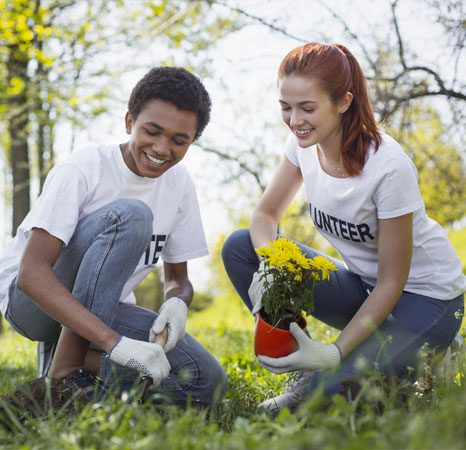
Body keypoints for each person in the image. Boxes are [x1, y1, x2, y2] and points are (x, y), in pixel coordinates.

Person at [222, 42, 465, 412]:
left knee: (327, 401)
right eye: (286, 108)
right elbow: (265, 217)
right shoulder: (302, 144)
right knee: (242, 247)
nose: (294, 120)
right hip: (365, 290)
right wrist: (270, 265)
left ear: (344, 102)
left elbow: (392, 281)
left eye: (307, 108)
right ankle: (305, 358)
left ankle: (424, 348)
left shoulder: (388, 167)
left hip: (427, 298)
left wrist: (334, 352)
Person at [0, 67, 226, 416]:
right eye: (152, 131)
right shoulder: (85, 168)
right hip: (33, 305)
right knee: (132, 216)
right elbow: (31, 274)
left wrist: (178, 302)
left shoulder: (179, 185)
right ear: (128, 121)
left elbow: (178, 279)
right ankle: (64, 378)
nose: (162, 148)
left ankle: (66, 370)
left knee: (204, 380)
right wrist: (115, 344)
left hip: (105, 308)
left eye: (179, 141)